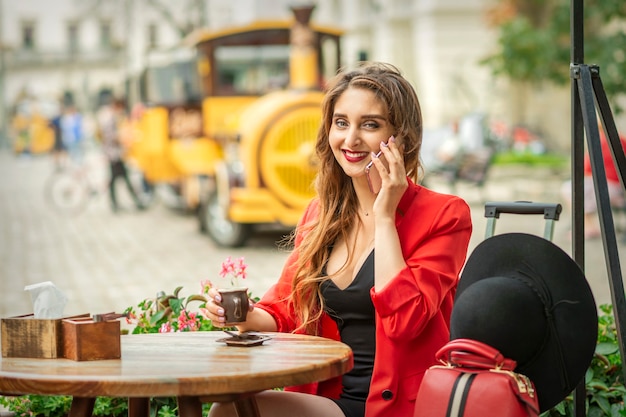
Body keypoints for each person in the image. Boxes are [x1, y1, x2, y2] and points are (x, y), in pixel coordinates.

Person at [204, 62, 473, 417]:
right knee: (228, 410)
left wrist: (385, 215)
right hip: (329, 398)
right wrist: (243, 316)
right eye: (341, 123)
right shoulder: (321, 213)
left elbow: (405, 322)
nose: (351, 139)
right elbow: (286, 310)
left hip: (400, 408)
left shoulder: (445, 215)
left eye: (371, 125)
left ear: (402, 137)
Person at [561, 123, 626, 238]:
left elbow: (586, 168)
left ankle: (587, 227)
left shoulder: (598, 144)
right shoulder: (621, 141)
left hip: (610, 186)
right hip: (618, 187)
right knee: (579, 191)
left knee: (572, 189)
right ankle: (588, 226)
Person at [98, 97, 145, 213]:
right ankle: (133, 202)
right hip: (114, 154)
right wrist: (122, 138)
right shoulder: (110, 118)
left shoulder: (109, 116)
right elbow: (109, 136)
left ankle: (121, 204)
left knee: (118, 179)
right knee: (120, 179)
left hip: (114, 154)